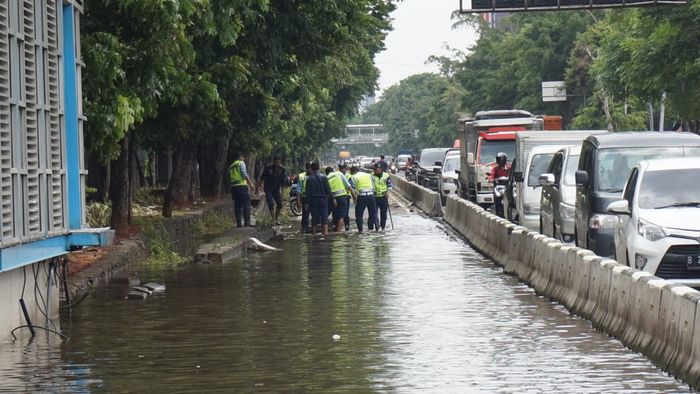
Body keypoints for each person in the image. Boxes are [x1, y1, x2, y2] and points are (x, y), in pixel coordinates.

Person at [303, 161, 333, 236]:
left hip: (313, 200)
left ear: (311, 168)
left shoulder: (309, 179)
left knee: (314, 217)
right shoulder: (324, 177)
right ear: (319, 168)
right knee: (324, 216)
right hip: (323, 199)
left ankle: (313, 234)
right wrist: (332, 199)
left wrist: (306, 203)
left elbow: (307, 192)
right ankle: (325, 233)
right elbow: (328, 190)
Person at [257, 156, 288, 225]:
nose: (277, 164)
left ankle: (276, 218)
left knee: (280, 204)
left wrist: (282, 192)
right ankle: (273, 219)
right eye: (276, 162)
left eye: (279, 162)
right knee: (271, 203)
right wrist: (257, 188)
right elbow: (262, 178)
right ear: (273, 162)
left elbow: (283, 182)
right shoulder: (268, 168)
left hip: (277, 189)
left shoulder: (282, 169)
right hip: (268, 188)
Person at [228, 153, 255, 228]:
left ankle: (239, 224)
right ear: (240, 157)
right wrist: (251, 184)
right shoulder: (241, 163)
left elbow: (228, 176)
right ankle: (247, 223)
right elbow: (244, 174)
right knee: (246, 203)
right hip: (241, 186)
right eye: (243, 157)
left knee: (237, 205)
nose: (244, 159)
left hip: (233, 187)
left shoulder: (231, 166)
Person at [349, 166, 378, 233]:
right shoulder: (368, 175)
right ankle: (373, 228)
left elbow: (351, 188)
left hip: (362, 196)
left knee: (359, 214)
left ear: (353, 171)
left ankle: (360, 230)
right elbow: (373, 184)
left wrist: (354, 198)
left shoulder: (353, 177)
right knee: (373, 213)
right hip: (371, 195)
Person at [327, 165, 354, 232]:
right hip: (342, 196)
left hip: (333, 198)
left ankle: (335, 229)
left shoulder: (326, 177)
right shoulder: (339, 174)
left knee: (335, 215)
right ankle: (338, 232)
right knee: (342, 216)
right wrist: (354, 196)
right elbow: (348, 186)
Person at [372, 164, 392, 230]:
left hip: (383, 197)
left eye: (376, 169)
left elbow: (389, 186)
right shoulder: (372, 176)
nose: (375, 171)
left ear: (380, 169)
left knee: (383, 213)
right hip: (374, 197)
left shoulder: (386, 176)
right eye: (374, 169)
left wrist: (387, 193)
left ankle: (382, 227)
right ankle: (377, 227)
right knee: (374, 213)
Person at [492, 152, 509, 218]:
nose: (498, 161)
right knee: (496, 196)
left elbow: (512, 174)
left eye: (500, 159)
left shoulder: (508, 168)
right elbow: (492, 175)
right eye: (498, 159)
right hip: (498, 187)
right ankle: (497, 212)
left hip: (506, 187)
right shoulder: (495, 169)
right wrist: (492, 179)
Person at [297, 162, 312, 233]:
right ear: (307, 168)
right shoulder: (301, 176)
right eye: (309, 168)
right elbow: (298, 189)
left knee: (316, 214)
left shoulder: (315, 175)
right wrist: (298, 201)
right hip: (305, 198)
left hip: (314, 197)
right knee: (305, 214)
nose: (311, 170)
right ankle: (304, 229)